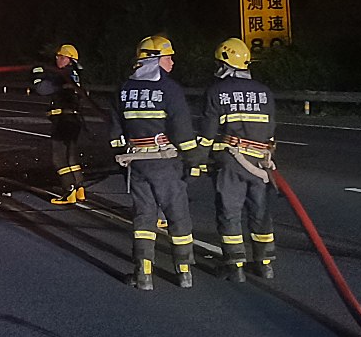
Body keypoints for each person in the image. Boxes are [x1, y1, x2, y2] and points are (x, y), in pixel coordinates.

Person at [109, 35, 201, 290]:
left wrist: (122, 160)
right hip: (166, 163)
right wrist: (194, 160)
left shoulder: (125, 88)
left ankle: (143, 275)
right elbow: (182, 131)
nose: (172, 61)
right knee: (177, 215)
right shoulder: (170, 89)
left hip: (137, 164)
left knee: (143, 218)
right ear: (154, 58)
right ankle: (184, 273)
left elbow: (115, 130)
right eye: (168, 56)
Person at [196, 38, 278, 282]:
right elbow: (271, 129)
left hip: (230, 161)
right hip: (260, 163)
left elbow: (207, 134)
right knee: (260, 212)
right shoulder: (264, 92)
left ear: (224, 62)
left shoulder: (216, 91)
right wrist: (268, 158)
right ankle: (264, 265)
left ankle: (235, 267)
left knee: (230, 212)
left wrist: (197, 162)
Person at [31, 43, 87, 205]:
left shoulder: (62, 74)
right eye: (57, 56)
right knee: (71, 156)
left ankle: (68, 190)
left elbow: (42, 89)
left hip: (63, 119)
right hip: (74, 119)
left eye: (61, 57)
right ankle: (79, 187)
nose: (58, 59)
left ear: (70, 59)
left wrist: (38, 74)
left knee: (58, 157)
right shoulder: (76, 74)